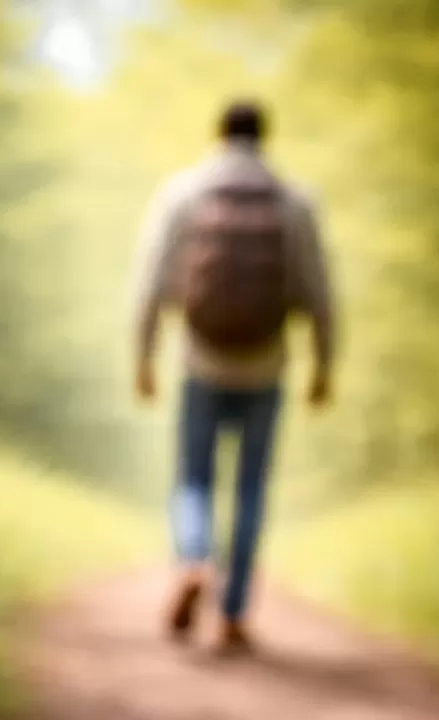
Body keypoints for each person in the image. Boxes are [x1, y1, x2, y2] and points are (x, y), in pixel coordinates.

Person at [129, 99, 336, 654]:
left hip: (199, 362)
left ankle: (192, 560)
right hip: (267, 366)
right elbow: (319, 292)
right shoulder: (295, 202)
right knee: (250, 488)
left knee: (193, 479)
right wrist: (324, 366)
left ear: (217, 135)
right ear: (265, 137)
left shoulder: (183, 194)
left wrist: (143, 359)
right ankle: (235, 611)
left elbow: (150, 282)